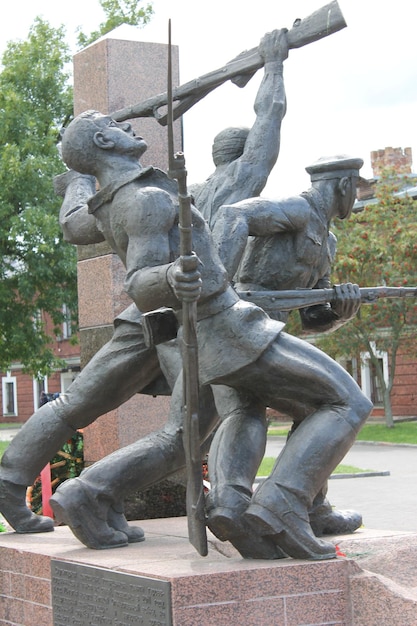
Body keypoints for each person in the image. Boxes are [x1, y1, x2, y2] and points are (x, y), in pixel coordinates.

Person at [0, 30, 291, 554]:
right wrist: (273, 68)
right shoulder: (215, 190)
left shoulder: (125, 197)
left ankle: (15, 483)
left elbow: (72, 226)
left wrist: (79, 181)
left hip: (146, 318)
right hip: (187, 321)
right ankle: (93, 493)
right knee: (190, 429)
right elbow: (267, 134)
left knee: (75, 404)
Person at [47, 108, 372, 561]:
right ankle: (282, 504)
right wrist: (174, 275)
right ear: (103, 143)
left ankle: (117, 494)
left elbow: (81, 227)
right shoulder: (145, 199)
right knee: (347, 401)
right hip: (226, 324)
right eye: (115, 125)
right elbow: (140, 282)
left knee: (190, 432)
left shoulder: (134, 194)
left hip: (214, 326)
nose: (128, 125)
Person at [208, 154, 367, 538]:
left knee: (298, 407)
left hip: (265, 337)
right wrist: (219, 289)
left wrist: (339, 311)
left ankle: (240, 505)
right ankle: (294, 505)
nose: (357, 198)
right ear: (344, 186)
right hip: (242, 327)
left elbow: (312, 317)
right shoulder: (296, 210)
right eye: (356, 188)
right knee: (328, 403)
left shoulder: (326, 239)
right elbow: (233, 215)